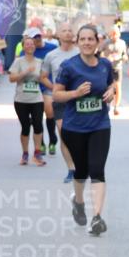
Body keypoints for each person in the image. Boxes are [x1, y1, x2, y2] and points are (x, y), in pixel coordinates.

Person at [53, 24, 116, 236]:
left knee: (97, 169)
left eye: (91, 39)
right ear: (77, 42)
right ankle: (78, 202)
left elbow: (111, 83)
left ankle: (97, 217)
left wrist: (111, 91)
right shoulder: (68, 66)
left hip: (100, 125)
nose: (87, 43)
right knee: (81, 171)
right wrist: (75, 93)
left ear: (97, 42)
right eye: (83, 39)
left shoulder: (105, 64)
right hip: (74, 127)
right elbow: (56, 95)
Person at [40, 23, 81, 182]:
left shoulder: (80, 52)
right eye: (64, 30)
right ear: (58, 34)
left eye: (71, 30)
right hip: (60, 100)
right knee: (64, 135)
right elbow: (43, 76)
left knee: (79, 135)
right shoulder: (51, 55)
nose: (68, 33)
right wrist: (55, 89)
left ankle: (80, 165)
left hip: (78, 99)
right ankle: (71, 169)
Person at [8, 35, 47, 166]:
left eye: (32, 44)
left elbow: (43, 78)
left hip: (37, 99)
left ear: (35, 47)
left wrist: (53, 88)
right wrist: (24, 73)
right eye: (27, 44)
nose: (30, 46)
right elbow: (11, 79)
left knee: (38, 125)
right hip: (21, 99)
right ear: (23, 47)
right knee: (25, 127)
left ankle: (37, 153)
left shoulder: (40, 62)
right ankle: (25, 153)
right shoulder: (18, 61)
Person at [23, 27, 59, 156]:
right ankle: (42, 143)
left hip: (48, 84)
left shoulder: (52, 48)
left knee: (49, 112)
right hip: (33, 87)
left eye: (38, 36)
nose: (37, 39)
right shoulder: (27, 50)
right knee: (36, 117)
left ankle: (53, 138)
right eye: (34, 37)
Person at [101, 28, 127, 113]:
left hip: (117, 67)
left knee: (117, 86)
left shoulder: (122, 43)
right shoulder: (106, 42)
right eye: (112, 34)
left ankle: (116, 106)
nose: (114, 36)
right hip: (107, 68)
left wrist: (122, 57)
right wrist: (106, 58)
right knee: (107, 87)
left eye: (115, 34)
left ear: (119, 34)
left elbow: (125, 55)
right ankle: (108, 104)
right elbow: (99, 53)